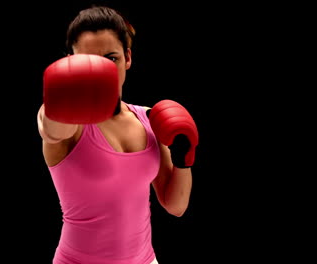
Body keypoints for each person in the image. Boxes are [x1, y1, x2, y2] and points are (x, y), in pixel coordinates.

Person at [36, 5, 199, 264]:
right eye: (89, 61)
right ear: (71, 62)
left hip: (145, 260)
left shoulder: (149, 119)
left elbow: (175, 206)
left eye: (111, 58)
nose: (101, 71)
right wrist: (59, 97)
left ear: (128, 58)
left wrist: (184, 158)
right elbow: (51, 129)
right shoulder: (68, 122)